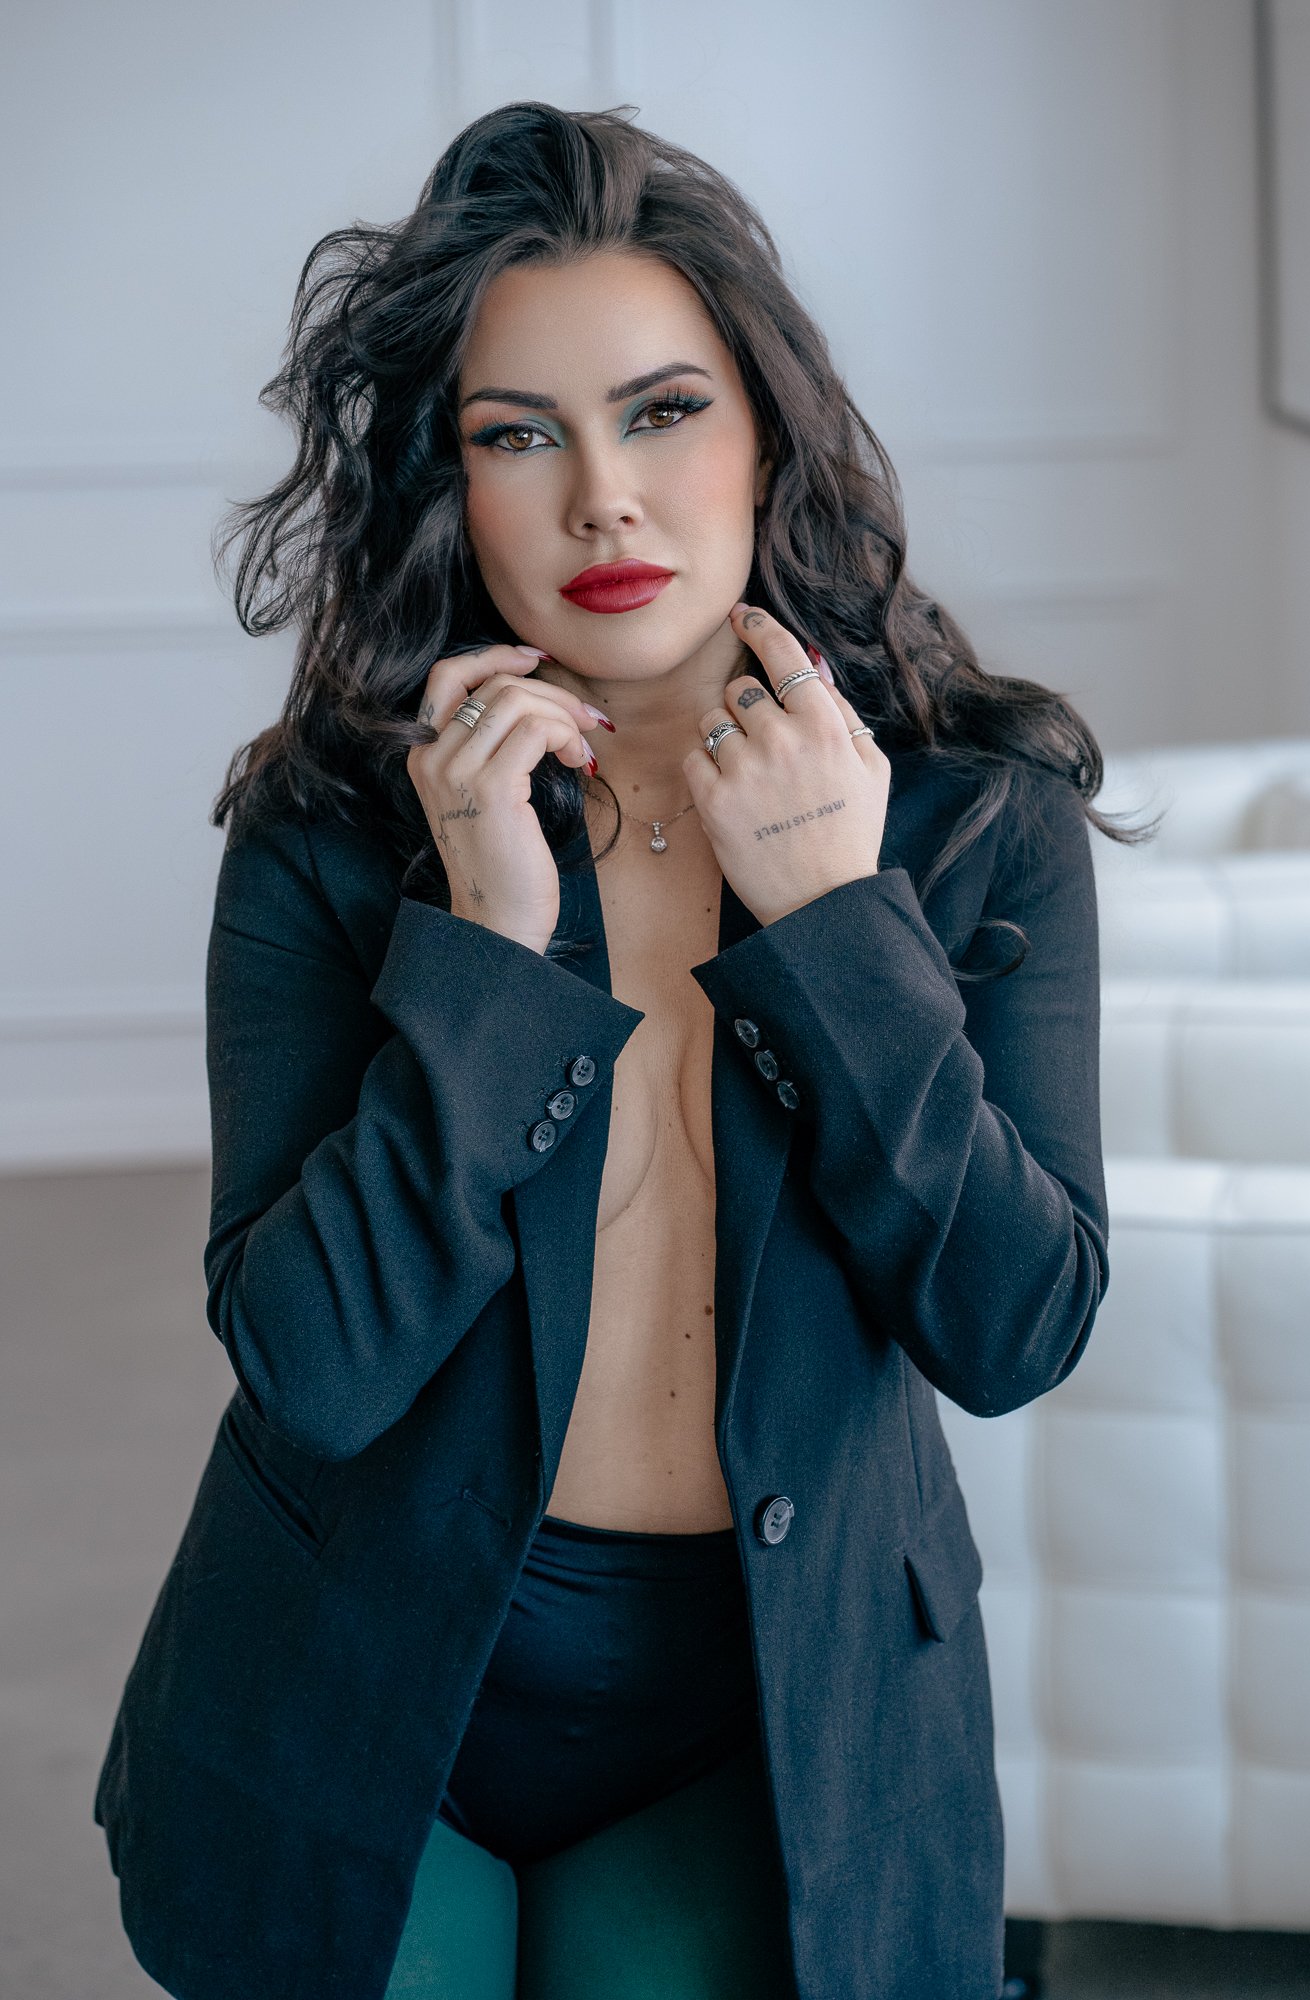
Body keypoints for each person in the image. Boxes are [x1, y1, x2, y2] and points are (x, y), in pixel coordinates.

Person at [93, 100, 1133, 2000]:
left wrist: (834, 926)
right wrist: (486, 954)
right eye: (517, 434)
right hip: (353, 1682)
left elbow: (1014, 1326)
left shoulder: (974, 820)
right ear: (445, 480)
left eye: (662, 412)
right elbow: (312, 1365)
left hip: (765, 1705)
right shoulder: (335, 830)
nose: (603, 502)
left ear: (767, 433)